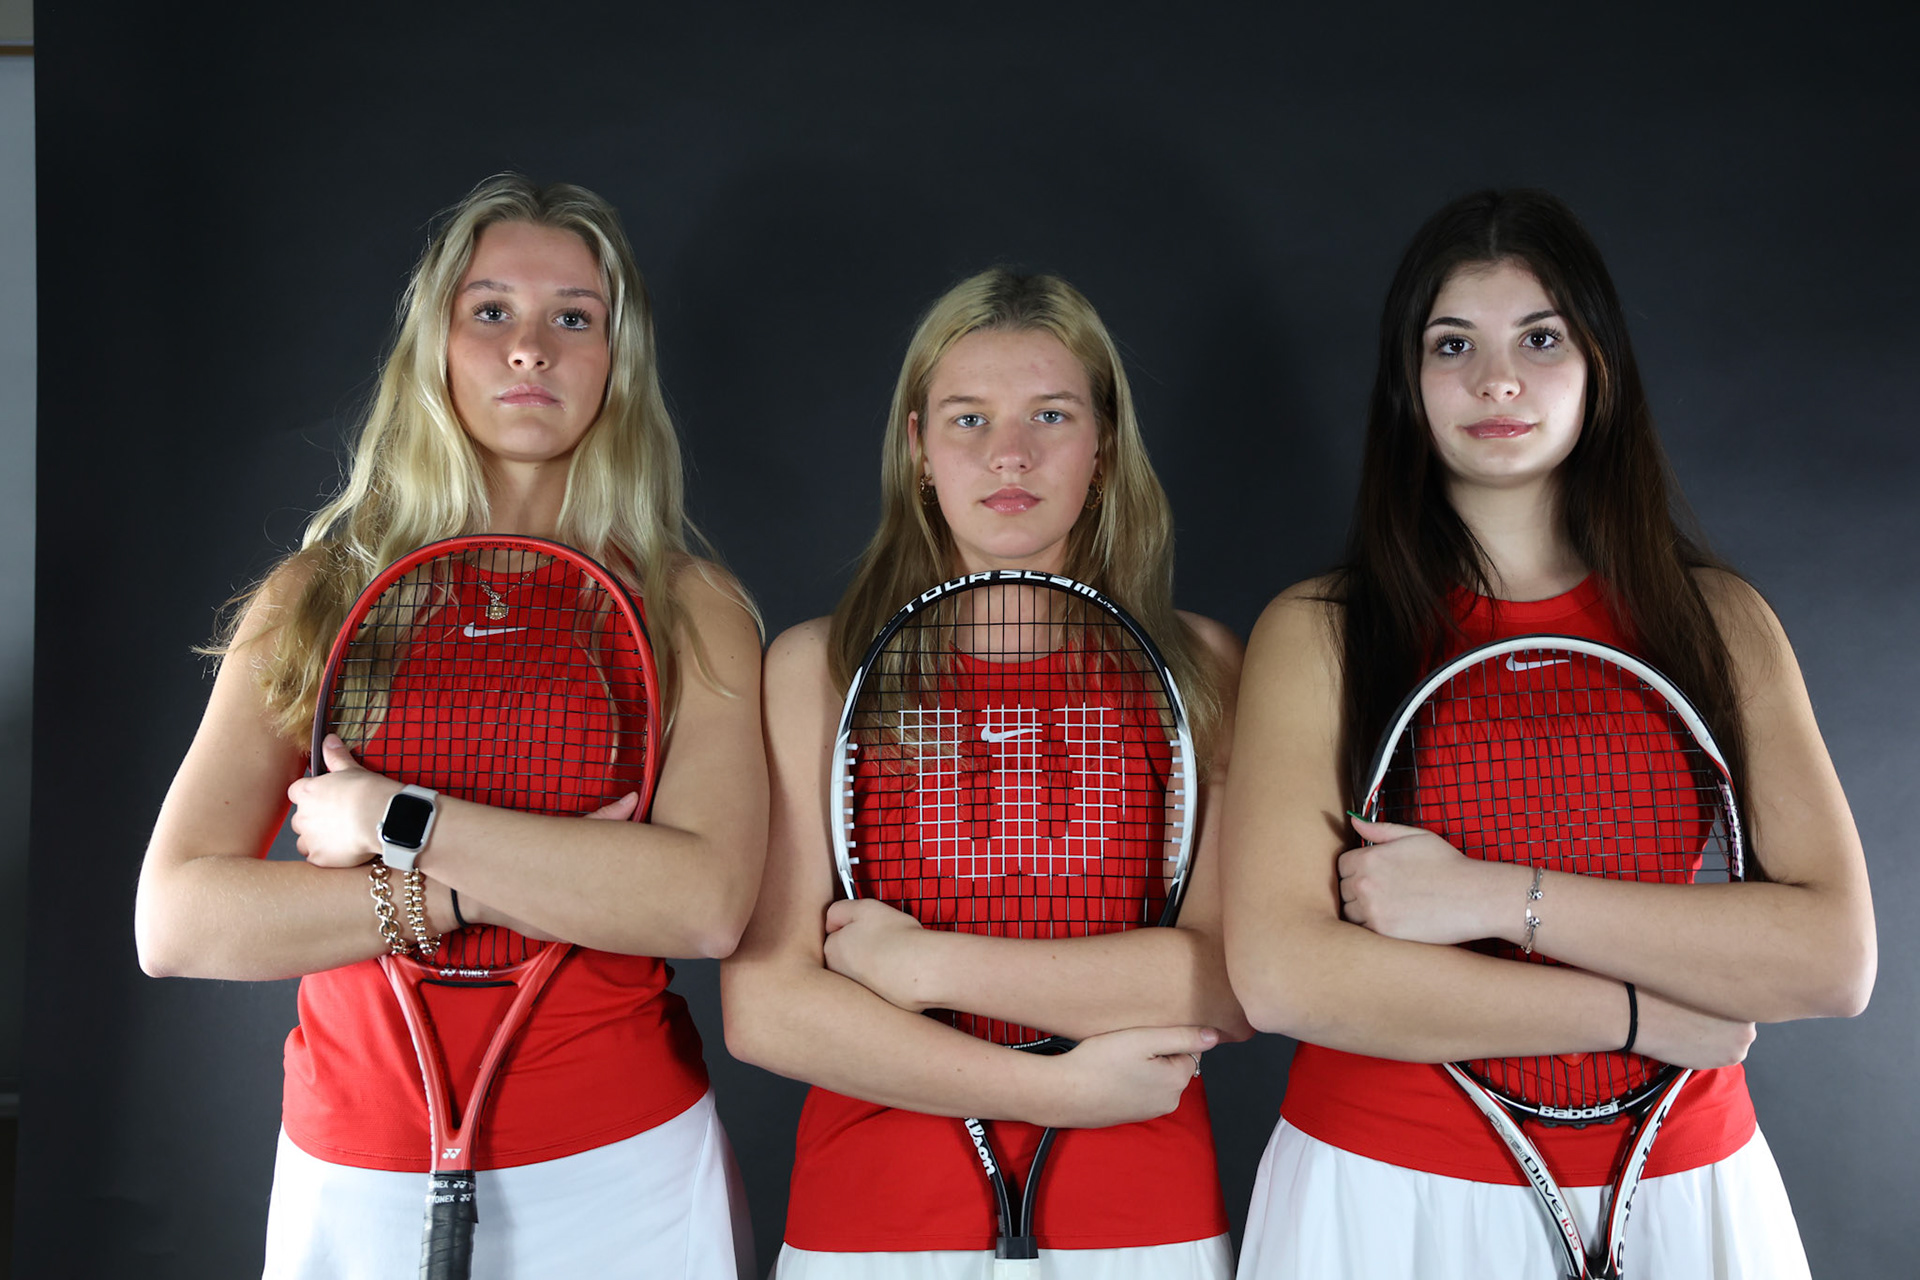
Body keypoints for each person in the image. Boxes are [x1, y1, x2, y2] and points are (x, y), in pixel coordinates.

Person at [1221, 189, 1876, 1279]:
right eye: (1452, 345)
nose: (1498, 380)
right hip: (1390, 1195)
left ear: (1600, 368)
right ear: (1407, 383)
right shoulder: (1320, 631)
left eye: (1540, 337)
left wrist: (1489, 896)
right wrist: (1633, 1013)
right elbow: (1285, 976)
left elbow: (1832, 957)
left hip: (1687, 1183)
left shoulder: (1716, 622)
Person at [133, 174, 765, 1279]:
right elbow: (178, 919)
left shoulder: (684, 605)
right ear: (436, 342)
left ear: (618, 361)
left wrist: (390, 818)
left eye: (574, 316)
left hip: (626, 1168)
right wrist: (487, 882)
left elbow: (703, 902)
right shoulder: (318, 595)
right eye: (492, 311)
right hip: (355, 1166)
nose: (532, 348)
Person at [723, 268, 1250, 1279]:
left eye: (1051, 414)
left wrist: (924, 968)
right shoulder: (817, 669)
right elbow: (769, 1007)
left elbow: (1224, 981)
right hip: (870, 1225)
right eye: (969, 419)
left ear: (1102, 450)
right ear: (919, 448)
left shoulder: (1199, 669)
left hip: (1144, 1226)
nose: (1009, 453)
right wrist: (1063, 1087)